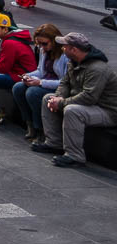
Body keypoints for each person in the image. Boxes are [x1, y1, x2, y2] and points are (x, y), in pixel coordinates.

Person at [34, 31, 117, 167]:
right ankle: (54, 143)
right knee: (48, 98)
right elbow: (64, 83)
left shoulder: (97, 69)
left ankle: (75, 156)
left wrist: (62, 103)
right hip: (89, 104)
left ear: (74, 49)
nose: (62, 49)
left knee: (73, 111)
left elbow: (89, 97)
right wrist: (58, 97)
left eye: (65, 46)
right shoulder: (73, 63)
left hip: (107, 110)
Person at [14, 24, 69, 144]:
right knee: (18, 87)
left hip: (58, 88)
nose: (42, 47)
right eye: (39, 44)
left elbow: (65, 82)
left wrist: (40, 82)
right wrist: (28, 76)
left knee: (33, 92)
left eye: (44, 44)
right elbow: (40, 71)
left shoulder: (65, 55)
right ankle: (30, 125)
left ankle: (40, 129)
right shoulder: (44, 51)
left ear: (54, 41)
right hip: (44, 82)